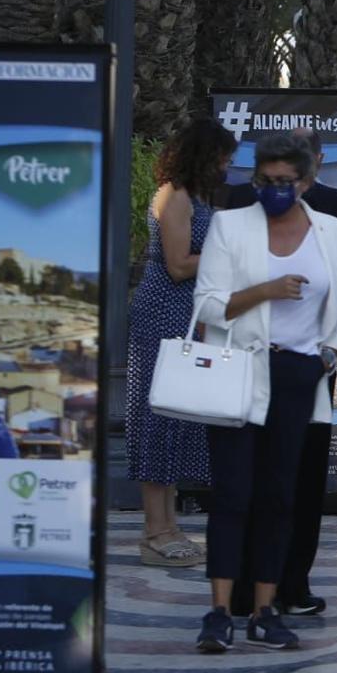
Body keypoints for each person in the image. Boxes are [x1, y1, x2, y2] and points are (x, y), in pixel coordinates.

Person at [191, 132, 337, 654]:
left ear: (306, 180)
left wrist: (327, 356)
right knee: (233, 494)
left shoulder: (331, 230)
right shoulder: (230, 225)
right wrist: (266, 289)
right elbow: (209, 305)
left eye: (286, 182)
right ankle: (219, 612)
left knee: (280, 497)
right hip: (239, 371)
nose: (275, 190)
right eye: (266, 180)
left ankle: (266, 610)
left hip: (299, 376)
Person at [127, 117, 232, 570]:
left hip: (188, 316)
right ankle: (154, 531)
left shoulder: (198, 198)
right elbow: (177, 265)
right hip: (163, 314)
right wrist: (230, 251)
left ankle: (168, 524)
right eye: (223, 159)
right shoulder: (175, 196)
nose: (227, 168)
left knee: (178, 420)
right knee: (157, 419)